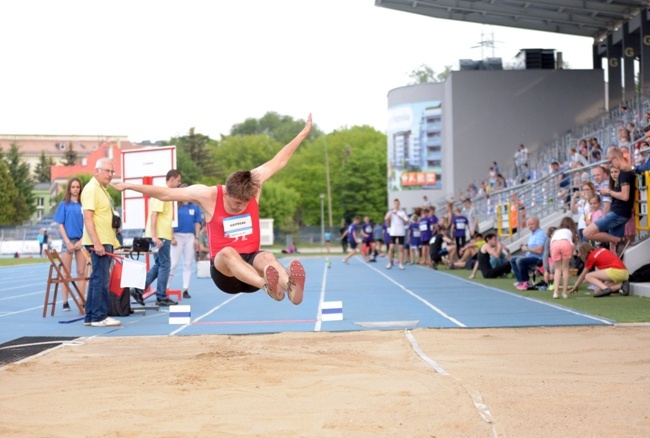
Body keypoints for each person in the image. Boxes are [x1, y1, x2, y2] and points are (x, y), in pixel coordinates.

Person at [113, 115, 312, 304]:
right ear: (226, 193)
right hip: (225, 274)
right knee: (227, 252)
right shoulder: (208, 195)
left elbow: (280, 161)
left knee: (267, 257)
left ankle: (288, 287)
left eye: (245, 203)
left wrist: (302, 134)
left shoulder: (254, 182)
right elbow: (166, 194)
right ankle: (267, 286)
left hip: (251, 263)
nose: (240, 208)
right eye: (236, 203)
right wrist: (131, 186)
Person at [82, 158, 121, 327]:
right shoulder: (92, 189)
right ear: (96, 171)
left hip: (106, 239)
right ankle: (99, 316)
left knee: (98, 278)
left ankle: (91, 317)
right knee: (102, 279)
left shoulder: (102, 189)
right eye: (107, 171)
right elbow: (88, 217)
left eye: (112, 172)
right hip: (99, 241)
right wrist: (97, 243)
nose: (110, 175)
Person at [138, 170, 183, 306]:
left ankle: (138, 289)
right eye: (178, 180)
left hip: (163, 234)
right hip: (160, 235)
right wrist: (154, 236)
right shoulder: (161, 193)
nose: (179, 183)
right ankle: (161, 296)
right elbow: (154, 215)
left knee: (159, 265)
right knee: (165, 265)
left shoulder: (166, 194)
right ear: (172, 179)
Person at [583, 147, 635, 257]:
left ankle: (620, 240)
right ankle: (614, 269)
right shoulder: (626, 171)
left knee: (587, 233)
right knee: (613, 248)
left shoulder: (624, 172)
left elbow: (625, 196)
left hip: (618, 212)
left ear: (616, 158)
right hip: (620, 212)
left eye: (610, 161)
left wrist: (608, 192)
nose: (610, 164)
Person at [53, 177, 86, 311]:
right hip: (67, 241)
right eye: (73, 187)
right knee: (66, 273)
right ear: (69, 188)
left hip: (81, 241)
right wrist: (67, 242)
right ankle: (65, 302)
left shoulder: (84, 204)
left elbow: (88, 225)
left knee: (81, 272)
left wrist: (81, 241)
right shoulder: (64, 204)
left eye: (77, 187)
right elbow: (60, 225)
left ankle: (81, 301)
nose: (75, 189)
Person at [169, 184, 202, 299]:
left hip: (190, 237)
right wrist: (172, 236)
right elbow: (171, 222)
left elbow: (197, 223)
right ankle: (165, 287)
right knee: (173, 263)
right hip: (177, 236)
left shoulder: (194, 207)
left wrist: (197, 238)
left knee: (188, 263)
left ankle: (186, 289)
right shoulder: (175, 206)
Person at [510, 216, 547, 290]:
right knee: (512, 259)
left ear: (538, 224)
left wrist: (527, 248)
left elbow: (539, 250)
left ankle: (526, 282)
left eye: (532, 224)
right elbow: (531, 247)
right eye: (529, 224)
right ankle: (521, 281)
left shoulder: (540, 234)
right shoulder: (532, 234)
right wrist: (524, 246)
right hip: (530, 257)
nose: (530, 226)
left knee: (519, 260)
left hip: (538, 258)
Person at [549, 217, 579, 299]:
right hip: (565, 244)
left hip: (554, 245)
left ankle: (555, 292)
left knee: (557, 269)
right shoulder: (570, 232)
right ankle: (564, 292)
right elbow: (573, 245)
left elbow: (551, 243)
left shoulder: (556, 231)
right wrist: (572, 253)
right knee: (565, 268)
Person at [384, 198, 409, 270]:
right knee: (391, 248)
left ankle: (401, 264)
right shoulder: (390, 212)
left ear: (399, 204)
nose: (396, 205)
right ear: (393, 204)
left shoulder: (402, 212)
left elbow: (407, 222)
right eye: (395, 204)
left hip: (401, 232)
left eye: (397, 203)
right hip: (393, 232)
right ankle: (389, 262)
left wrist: (401, 218)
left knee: (401, 248)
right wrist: (392, 213)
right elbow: (386, 219)